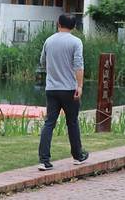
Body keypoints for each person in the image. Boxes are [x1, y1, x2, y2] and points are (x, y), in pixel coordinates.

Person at [37, 13, 89, 171]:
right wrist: (80, 86)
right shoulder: (76, 42)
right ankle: (77, 156)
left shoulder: (49, 40)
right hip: (69, 89)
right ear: (74, 26)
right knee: (72, 122)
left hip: (52, 88)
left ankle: (44, 160)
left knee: (49, 123)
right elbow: (78, 65)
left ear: (58, 23)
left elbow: (42, 61)